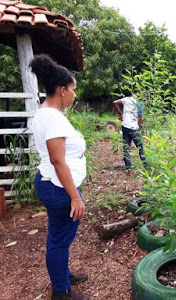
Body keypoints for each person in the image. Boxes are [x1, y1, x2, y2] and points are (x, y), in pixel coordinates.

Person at [30, 55, 90, 300]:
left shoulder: (48, 112)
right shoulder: (52, 117)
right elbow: (58, 161)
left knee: (60, 237)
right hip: (59, 188)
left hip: (54, 184)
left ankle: (62, 276)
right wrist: (75, 198)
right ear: (61, 89)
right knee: (59, 240)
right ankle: (61, 291)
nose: (75, 95)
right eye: (73, 90)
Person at [113, 96, 146, 175]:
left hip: (125, 127)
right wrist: (143, 130)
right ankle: (146, 167)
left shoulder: (128, 99)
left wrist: (120, 114)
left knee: (126, 148)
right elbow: (140, 120)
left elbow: (115, 102)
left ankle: (129, 170)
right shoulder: (140, 104)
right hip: (134, 129)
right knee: (140, 148)